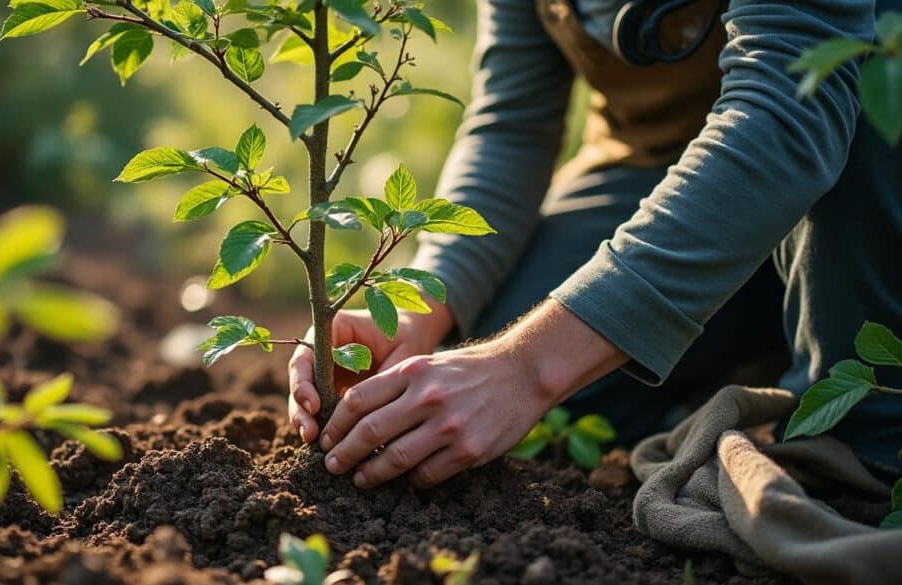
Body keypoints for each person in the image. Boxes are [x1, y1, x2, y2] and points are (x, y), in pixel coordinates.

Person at [288, 0, 902, 490]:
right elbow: (514, 124)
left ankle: (864, 452)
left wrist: (526, 367)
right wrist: (426, 303)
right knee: (486, 356)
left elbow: (792, 110)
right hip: (656, 170)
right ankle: (760, 341)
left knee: (873, 97)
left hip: (846, 147)